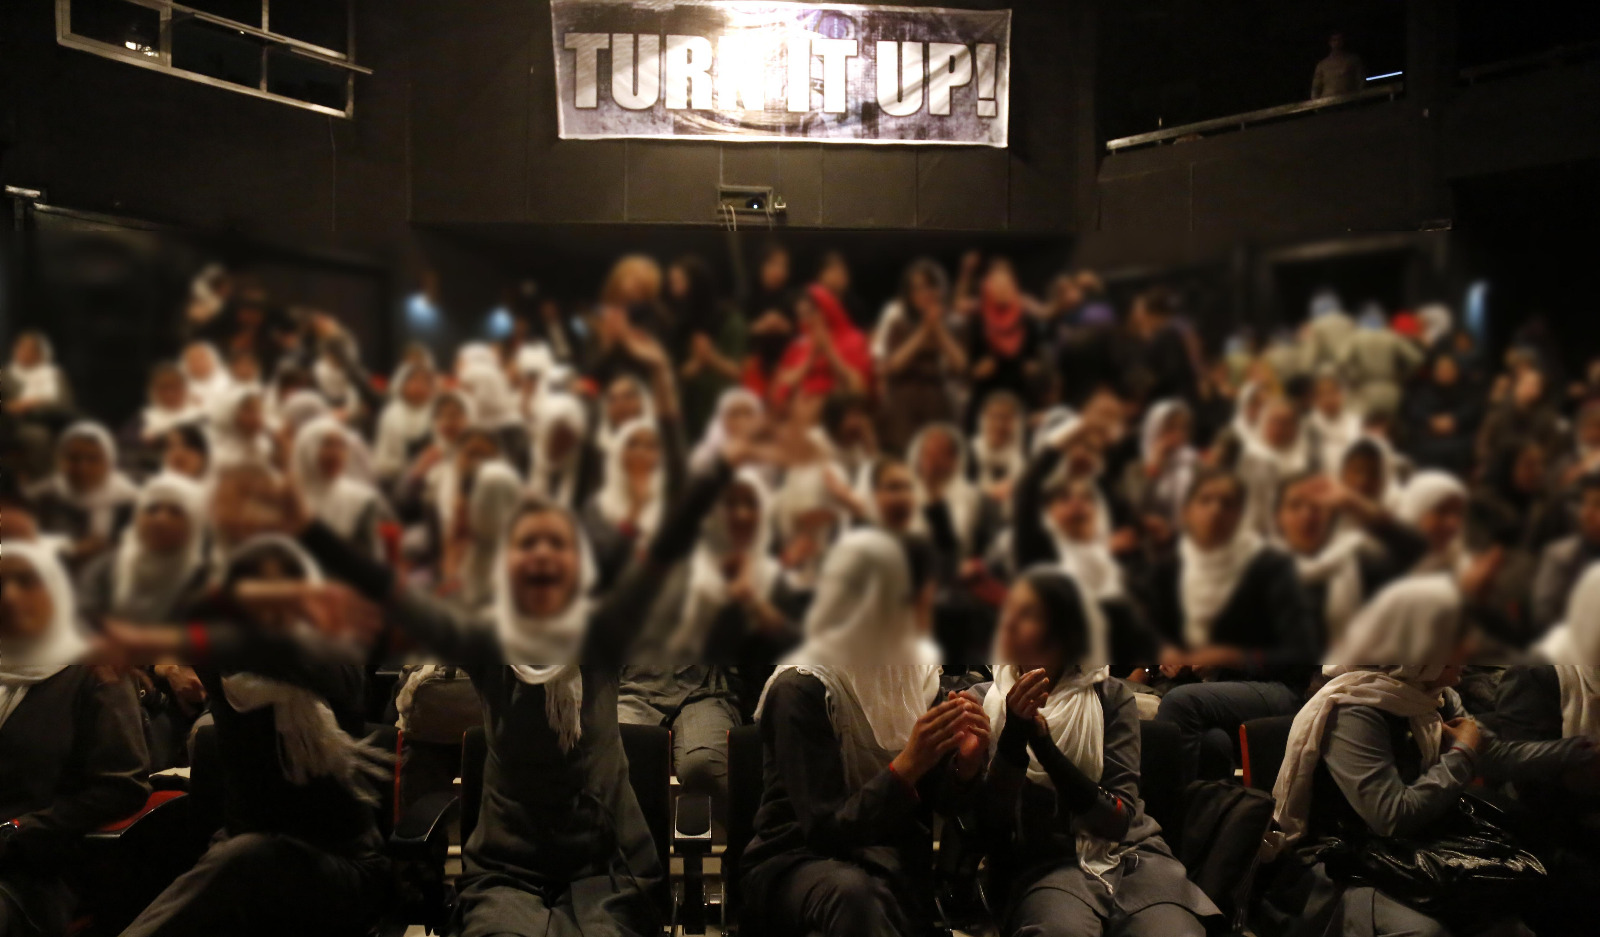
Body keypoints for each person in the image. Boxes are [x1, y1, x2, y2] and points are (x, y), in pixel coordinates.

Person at [286, 418, 759, 937]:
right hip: (506, 872)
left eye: (556, 545)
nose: (541, 556)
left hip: (610, 868)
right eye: (526, 545)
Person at [1264, 575, 1593, 937]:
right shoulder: (1356, 710)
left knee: (1531, 899)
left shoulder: (1426, 693)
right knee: (1429, 932)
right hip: (1350, 861)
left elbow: (1496, 755)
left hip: (1415, 848)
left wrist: (1582, 750)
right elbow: (1391, 816)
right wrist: (1462, 754)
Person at [742, 529, 988, 937]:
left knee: (884, 888)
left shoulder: (915, 676)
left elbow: (935, 800)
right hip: (796, 861)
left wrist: (965, 764)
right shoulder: (802, 687)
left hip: (887, 858)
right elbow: (822, 831)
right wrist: (905, 768)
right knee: (857, 895)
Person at [975, 567, 1219, 937]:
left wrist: (1045, 746)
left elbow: (1117, 821)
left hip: (1129, 854)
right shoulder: (984, 703)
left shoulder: (1108, 696)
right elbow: (993, 826)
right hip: (1048, 861)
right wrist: (1013, 735)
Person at [0, 543, 151, 937]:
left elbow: (121, 786)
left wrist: (19, 830)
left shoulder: (94, 670)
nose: (10, 595)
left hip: (33, 870)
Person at [1145, 470, 1317, 783]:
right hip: (1230, 683)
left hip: (1286, 687)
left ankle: (1161, 815)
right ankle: (1204, 820)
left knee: (1181, 703)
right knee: (1214, 742)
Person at [876, 260, 966, 453]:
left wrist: (938, 330)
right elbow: (894, 365)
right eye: (917, 289)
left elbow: (960, 364)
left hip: (940, 403)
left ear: (940, 289)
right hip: (904, 407)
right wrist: (924, 331)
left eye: (929, 286)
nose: (924, 293)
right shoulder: (899, 324)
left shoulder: (955, 324)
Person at [29, 422, 141, 570]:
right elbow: (26, 546)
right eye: (74, 458)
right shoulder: (42, 497)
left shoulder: (131, 500)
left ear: (109, 461)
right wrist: (69, 551)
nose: (82, 467)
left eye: (93, 459)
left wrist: (108, 550)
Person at [1530, 472, 1600, 630]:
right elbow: (1544, 617)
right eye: (1586, 504)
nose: (1587, 513)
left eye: (1598, 505)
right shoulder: (1560, 556)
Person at [371, 363, 437, 487]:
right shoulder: (391, 414)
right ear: (402, 385)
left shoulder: (438, 412)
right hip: (395, 479)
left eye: (425, 382)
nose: (419, 386)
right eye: (414, 380)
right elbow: (383, 456)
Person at [4, 331, 69, 414]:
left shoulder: (53, 374)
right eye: (20, 347)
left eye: (28, 349)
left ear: (38, 353)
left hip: (47, 419)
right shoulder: (6, 375)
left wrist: (30, 404)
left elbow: (62, 403)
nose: (22, 352)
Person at [1309, 32, 1365, 99]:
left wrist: (1358, 97)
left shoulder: (1352, 60)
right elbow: (1316, 86)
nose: (1337, 42)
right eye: (1334, 40)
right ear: (1330, 43)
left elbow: (1361, 80)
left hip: (1348, 100)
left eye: (1339, 40)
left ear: (1343, 42)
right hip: (1327, 101)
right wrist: (1315, 103)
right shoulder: (1322, 65)